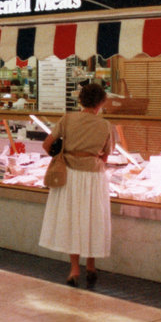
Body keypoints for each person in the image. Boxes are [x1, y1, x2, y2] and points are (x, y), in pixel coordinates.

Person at [38, 82, 113, 289]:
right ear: (100, 103)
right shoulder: (105, 126)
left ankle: (74, 270)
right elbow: (106, 156)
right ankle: (91, 266)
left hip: (70, 175)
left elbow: (46, 144)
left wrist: (60, 156)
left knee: (72, 219)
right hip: (94, 177)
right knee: (92, 219)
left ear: (81, 100)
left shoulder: (68, 119)